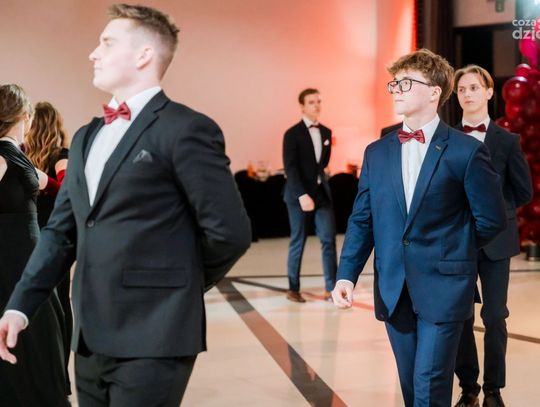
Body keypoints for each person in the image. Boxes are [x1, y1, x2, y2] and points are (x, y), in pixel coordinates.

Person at [0, 4, 251, 407]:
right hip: (89, 336)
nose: (93, 53)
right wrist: (20, 306)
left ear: (143, 54)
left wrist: (173, 287)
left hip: (156, 331)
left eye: (107, 43)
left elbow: (230, 233)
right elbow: (60, 233)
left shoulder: (186, 129)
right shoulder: (87, 136)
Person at [332, 49, 507, 407]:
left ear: (434, 92)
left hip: (446, 287)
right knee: (412, 386)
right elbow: (362, 219)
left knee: (429, 385)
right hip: (393, 288)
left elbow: (491, 220)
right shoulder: (377, 152)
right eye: (394, 83)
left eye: (406, 83)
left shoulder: (466, 151)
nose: (396, 89)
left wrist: (453, 253)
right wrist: (346, 275)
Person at [452, 65, 533, 407]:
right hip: (458, 242)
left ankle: (493, 390)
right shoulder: (448, 138)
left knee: (495, 315)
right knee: (461, 316)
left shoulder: (507, 141)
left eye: (474, 87)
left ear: (488, 92)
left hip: (497, 242)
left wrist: (495, 209)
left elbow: (524, 191)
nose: (467, 94)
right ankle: (468, 388)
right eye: (461, 89)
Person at [0, 84, 69, 406]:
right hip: (11, 256)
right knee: (36, 332)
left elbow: (55, 187)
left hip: (30, 255)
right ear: (25, 116)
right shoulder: (3, 154)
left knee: (43, 328)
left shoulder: (16, 153)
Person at [25, 101, 73, 391]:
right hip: (46, 238)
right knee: (55, 306)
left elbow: (65, 189)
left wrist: (45, 182)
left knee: (50, 305)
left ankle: (53, 377)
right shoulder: (31, 156)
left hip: (44, 239)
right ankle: (55, 376)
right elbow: (68, 192)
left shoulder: (55, 157)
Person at [282, 88, 337, 302]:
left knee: (328, 240)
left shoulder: (326, 132)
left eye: (318, 101)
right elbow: (291, 168)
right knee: (298, 241)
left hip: (321, 194)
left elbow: (323, 163)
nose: (316, 105)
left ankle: (331, 288)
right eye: (311, 102)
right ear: (302, 106)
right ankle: (293, 288)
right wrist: (302, 195)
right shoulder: (292, 134)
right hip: (298, 196)